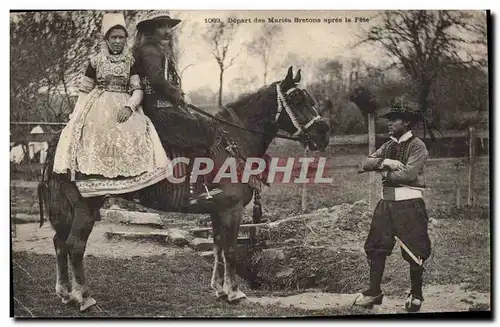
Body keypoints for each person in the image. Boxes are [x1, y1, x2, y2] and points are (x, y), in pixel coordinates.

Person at [53, 12, 172, 198]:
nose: (118, 41)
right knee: (92, 129)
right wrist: (76, 116)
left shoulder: (130, 62)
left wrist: (130, 107)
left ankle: (130, 182)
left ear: (126, 40)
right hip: (98, 103)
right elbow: (85, 91)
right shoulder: (95, 62)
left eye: (121, 38)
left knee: (138, 129)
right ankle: (94, 177)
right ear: (106, 39)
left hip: (124, 101)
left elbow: (137, 89)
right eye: (114, 37)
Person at [132, 10, 221, 201]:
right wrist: (177, 95)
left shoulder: (158, 50)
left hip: (167, 107)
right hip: (157, 109)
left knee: (203, 125)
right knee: (202, 130)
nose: (167, 31)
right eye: (161, 26)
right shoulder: (149, 51)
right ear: (150, 30)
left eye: (169, 27)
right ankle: (195, 188)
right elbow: (156, 79)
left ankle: (198, 182)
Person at [353, 102, 431, 313]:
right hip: (385, 204)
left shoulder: (417, 146)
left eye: (393, 119)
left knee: (415, 251)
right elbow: (366, 163)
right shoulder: (387, 146)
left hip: (410, 205)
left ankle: (416, 294)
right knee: (376, 247)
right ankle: (373, 292)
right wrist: (386, 162)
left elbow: (408, 175)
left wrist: (384, 173)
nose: (389, 123)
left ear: (406, 122)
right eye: (388, 119)